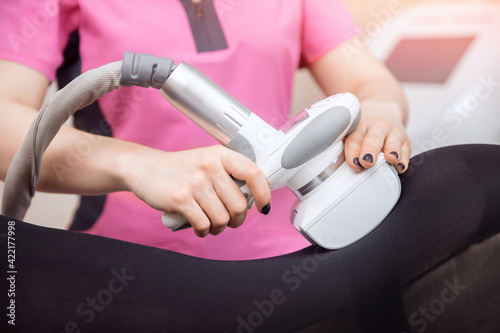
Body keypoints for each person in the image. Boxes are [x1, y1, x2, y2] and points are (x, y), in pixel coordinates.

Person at [0, 0, 410, 261]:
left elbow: (368, 82)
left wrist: (380, 114)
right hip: (128, 267)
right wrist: (139, 166)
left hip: (294, 261)